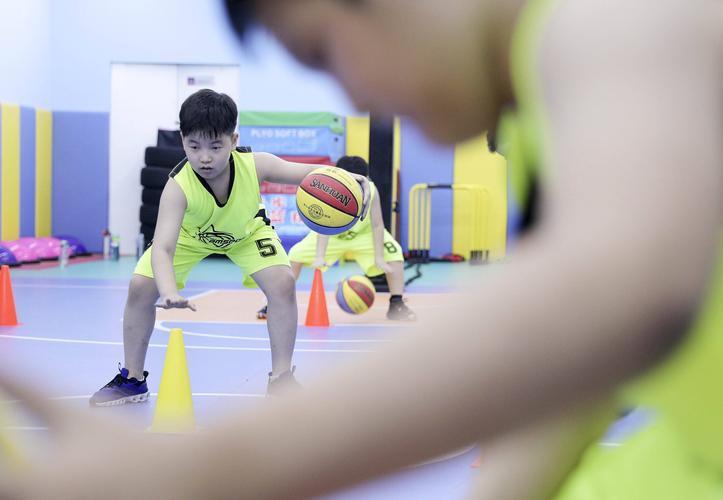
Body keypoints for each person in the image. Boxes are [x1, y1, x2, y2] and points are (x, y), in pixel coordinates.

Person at [1, 0, 721, 498]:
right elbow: (574, 380)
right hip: (685, 461)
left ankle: (280, 371)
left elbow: (622, 285)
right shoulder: (544, 114)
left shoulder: (614, 21)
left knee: (283, 285)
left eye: (322, 50)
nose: (352, 95)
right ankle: (133, 370)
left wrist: (203, 472)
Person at [88, 89, 369, 404]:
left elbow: (305, 173)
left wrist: (349, 177)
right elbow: (163, 248)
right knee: (140, 287)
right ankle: (133, 379)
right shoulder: (178, 187)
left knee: (283, 282)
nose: (204, 157)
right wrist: (168, 290)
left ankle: (281, 379)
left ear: (233, 140)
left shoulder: (255, 164)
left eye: (215, 146)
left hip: (247, 232)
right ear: (182, 141)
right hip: (190, 237)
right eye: (194, 146)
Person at [257, 155, 416, 321]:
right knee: (295, 255)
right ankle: (274, 303)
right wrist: (319, 256)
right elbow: (324, 226)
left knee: (395, 253)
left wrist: (379, 257)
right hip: (331, 234)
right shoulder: (331, 188)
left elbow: (377, 225)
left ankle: (397, 304)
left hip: (364, 235)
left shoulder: (370, 189)